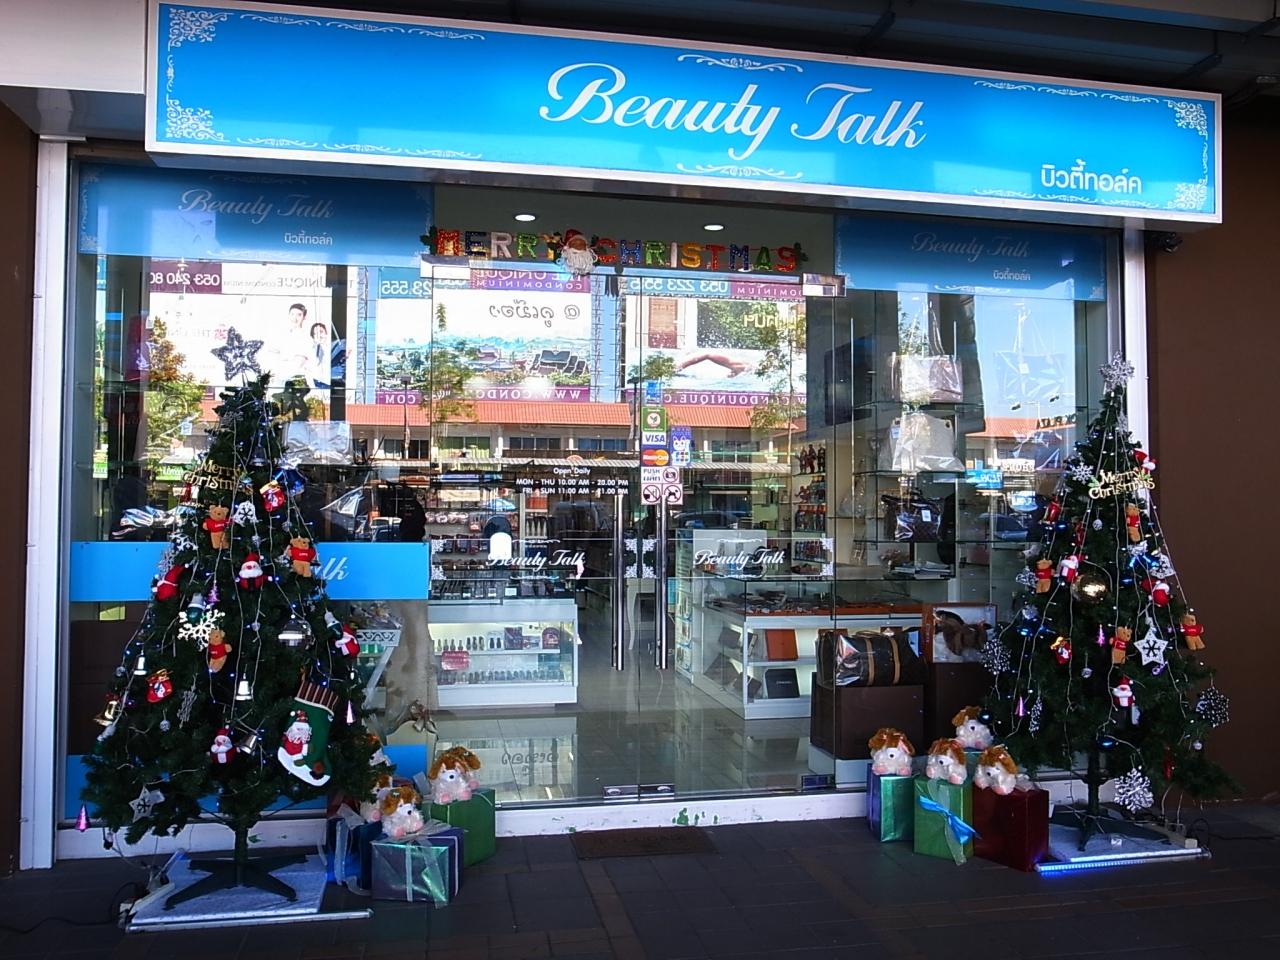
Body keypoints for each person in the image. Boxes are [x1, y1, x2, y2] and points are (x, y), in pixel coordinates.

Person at [306, 321, 331, 389]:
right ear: (313, 337)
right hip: (318, 385)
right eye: (316, 334)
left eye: (321, 332)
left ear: (326, 333)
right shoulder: (311, 351)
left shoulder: (333, 347)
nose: (319, 335)